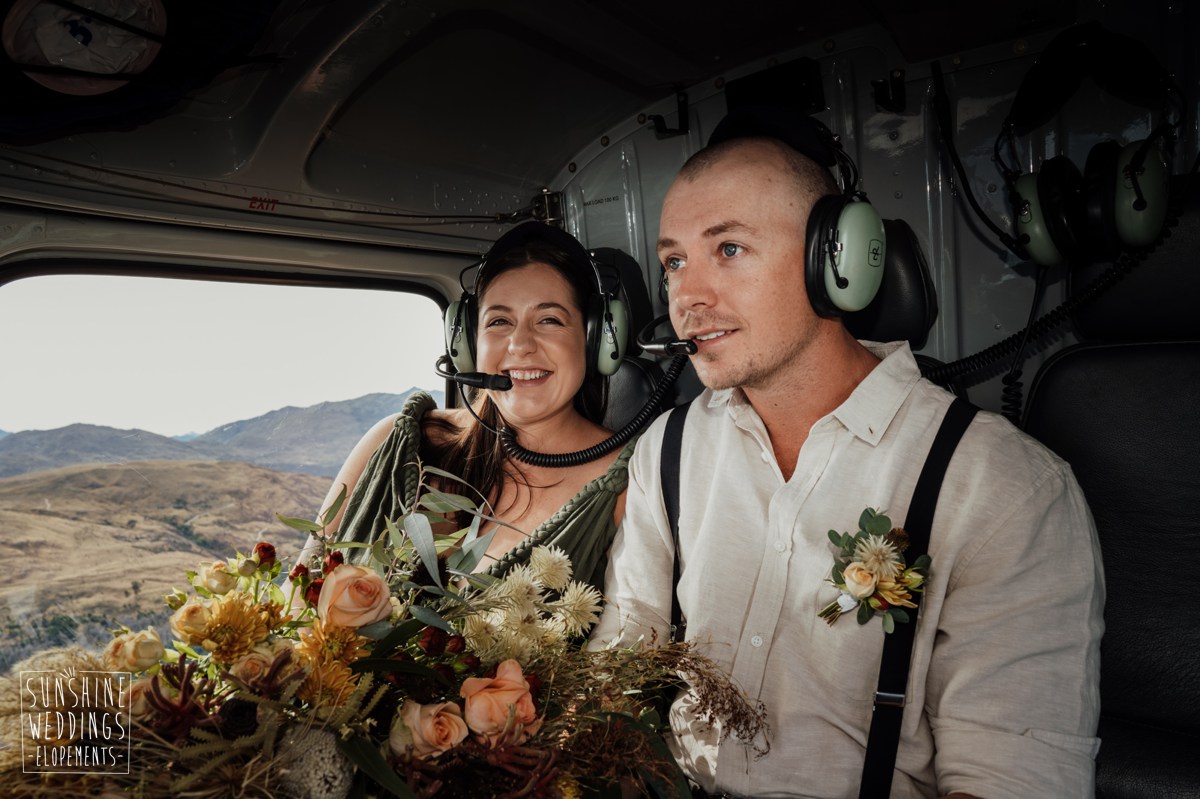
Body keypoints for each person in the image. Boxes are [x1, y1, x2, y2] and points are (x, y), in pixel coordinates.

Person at [589, 113, 1105, 798]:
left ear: (837, 259)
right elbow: (621, 663)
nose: (687, 297)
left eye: (730, 249)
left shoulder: (1005, 485)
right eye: (675, 262)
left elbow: (1009, 780)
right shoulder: (667, 448)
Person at [303, 222, 635, 593]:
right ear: (468, 343)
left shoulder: (631, 485)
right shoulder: (395, 443)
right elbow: (300, 593)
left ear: (596, 338)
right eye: (499, 321)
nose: (520, 344)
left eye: (549, 320)